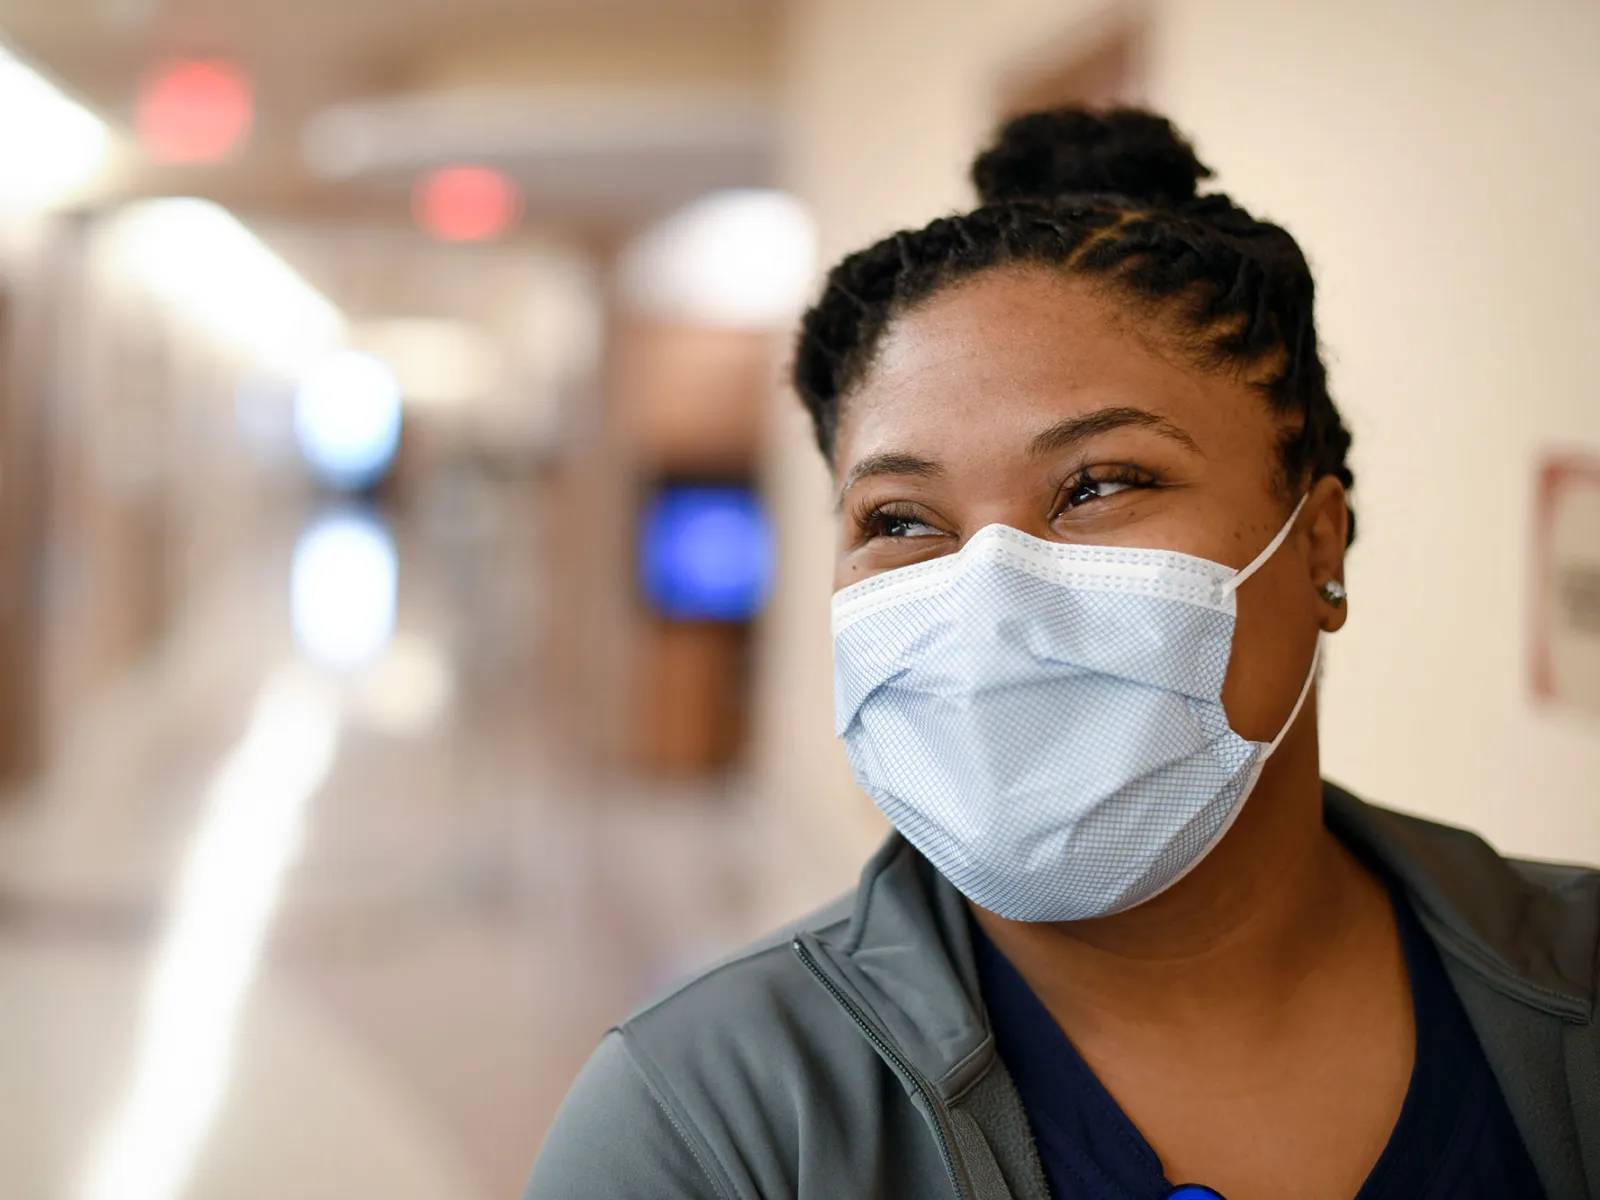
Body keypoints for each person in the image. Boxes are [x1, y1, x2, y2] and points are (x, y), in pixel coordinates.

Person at [526, 108, 1600, 1200]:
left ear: (1316, 542)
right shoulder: (708, 1124)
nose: (990, 597)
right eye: (899, 518)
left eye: (1098, 485)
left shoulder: (1573, 1001)